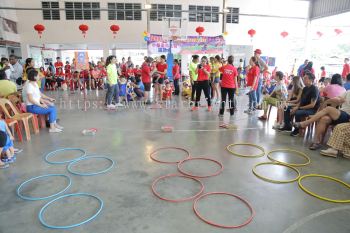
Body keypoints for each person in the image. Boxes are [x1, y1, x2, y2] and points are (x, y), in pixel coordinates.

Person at [279, 72, 320, 137]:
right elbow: (301, 101)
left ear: (311, 80)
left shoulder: (314, 89)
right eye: (303, 78)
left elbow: (312, 105)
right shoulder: (305, 88)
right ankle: (288, 126)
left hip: (311, 109)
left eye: (305, 78)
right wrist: (297, 106)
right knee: (287, 108)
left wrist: (298, 108)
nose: (303, 80)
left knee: (298, 112)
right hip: (303, 107)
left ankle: (297, 130)